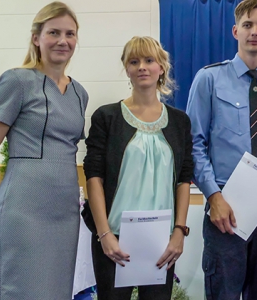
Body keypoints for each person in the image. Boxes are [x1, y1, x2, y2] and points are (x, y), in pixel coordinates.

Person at [186, 0, 257, 298]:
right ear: (236, 31)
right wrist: (214, 196)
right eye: (248, 25)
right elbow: (194, 145)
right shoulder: (208, 79)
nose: (255, 32)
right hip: (226, 206)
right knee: (223, 290)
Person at [0, 2, 87, 299]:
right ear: (36, 38)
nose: (63, 40)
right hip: (22, 210)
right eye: (54, 32)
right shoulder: (16, 81)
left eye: (70, 34)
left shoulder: (80, 93)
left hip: (65, 213)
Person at [82, 36, 193, 300]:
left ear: (161, 68)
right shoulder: (106, 117)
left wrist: (179, 232)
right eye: (134, 61)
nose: (142, 66)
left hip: (161, 240)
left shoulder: (180, 122)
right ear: (127, 70)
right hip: (113, 238)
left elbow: (184, 180)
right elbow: (93, 176)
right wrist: (104, 234)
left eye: (148, 60)